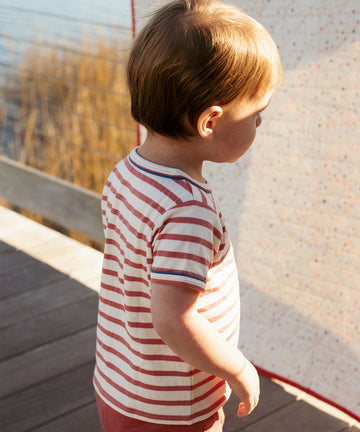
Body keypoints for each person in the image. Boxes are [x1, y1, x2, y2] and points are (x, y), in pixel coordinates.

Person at [93, 0, 282, 430]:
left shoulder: (128, 172)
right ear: (210, 121)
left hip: (120, 381)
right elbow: (175, 318)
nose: (259, 126)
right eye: (257, 116)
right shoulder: (187, 209)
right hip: (174, 406)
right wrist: (236, 368)